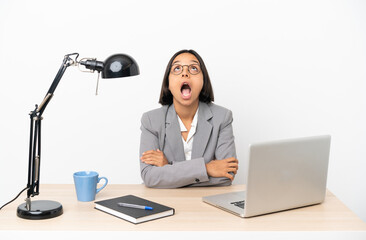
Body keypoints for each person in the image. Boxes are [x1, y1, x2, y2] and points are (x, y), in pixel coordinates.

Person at [139, 49, 238, 188]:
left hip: (208, 203)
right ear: (168, 81)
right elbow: (150, 177)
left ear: (203, 80)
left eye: (193, 68)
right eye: (177, 68)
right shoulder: (151, 120)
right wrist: (207, 169)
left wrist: (168, 168)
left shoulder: (222, 117)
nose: (185, 73)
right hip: (164, 201)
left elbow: (226, 177)